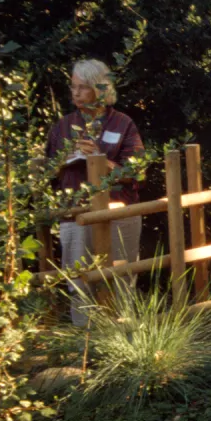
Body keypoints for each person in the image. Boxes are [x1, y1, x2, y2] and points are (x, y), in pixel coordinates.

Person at [44, 59, 145, 325]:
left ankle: (123, 340)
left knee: (121, 280)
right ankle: (85, 345)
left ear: (100, 90)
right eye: (73, 87)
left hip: (118, 213)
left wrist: (100, 160)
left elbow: (137, 171)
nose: (75, 93)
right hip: (75, 214)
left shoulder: (123, 124)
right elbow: (46, 175)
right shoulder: (62, 127)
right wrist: (63, 159)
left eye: (82, 88)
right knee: (80, 281)